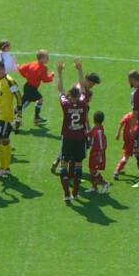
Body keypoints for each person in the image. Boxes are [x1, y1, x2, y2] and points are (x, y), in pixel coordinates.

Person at [54, 63, 90, 201]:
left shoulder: (65, 104)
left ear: (70, 95)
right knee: (78, 165)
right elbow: (82, 86)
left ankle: (66, 193)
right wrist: (80, 69)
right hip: (80, 138)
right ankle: (75, 192)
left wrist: (60, 73)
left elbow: (60, 90)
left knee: (64, 164)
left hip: (68, 137)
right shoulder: (83, 102)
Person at [15, 50, 54, 130]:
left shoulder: (32, 63)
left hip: (28, 86)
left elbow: (21, 69)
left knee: (40, 99)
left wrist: (27, 76)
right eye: (47, 57)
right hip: (32, 89)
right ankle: (7, 117)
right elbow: (45, 79)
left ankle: (37, 118)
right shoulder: (43, 68)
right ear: (42, 58)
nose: (48, 59)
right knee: (22, 105)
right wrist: (51, 76)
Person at [87, 110, 109, 194]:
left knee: (93, 169)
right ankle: (94, 186)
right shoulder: (96, 128)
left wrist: (100, 155)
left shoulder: (99, 131)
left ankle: (104, 183)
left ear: (94, 119)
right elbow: (89, 133)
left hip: (97, 152)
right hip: (94, 151)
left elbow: (101, 144)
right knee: (91, 169)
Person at [112, 110, 136, 180]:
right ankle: (117, 170)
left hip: (126, 137)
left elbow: (121, 123)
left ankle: (120, 167)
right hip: (132, 138)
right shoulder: (137, 117)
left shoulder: (128, 115)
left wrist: (118, 133)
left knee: (125, 152)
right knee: (127, 155)